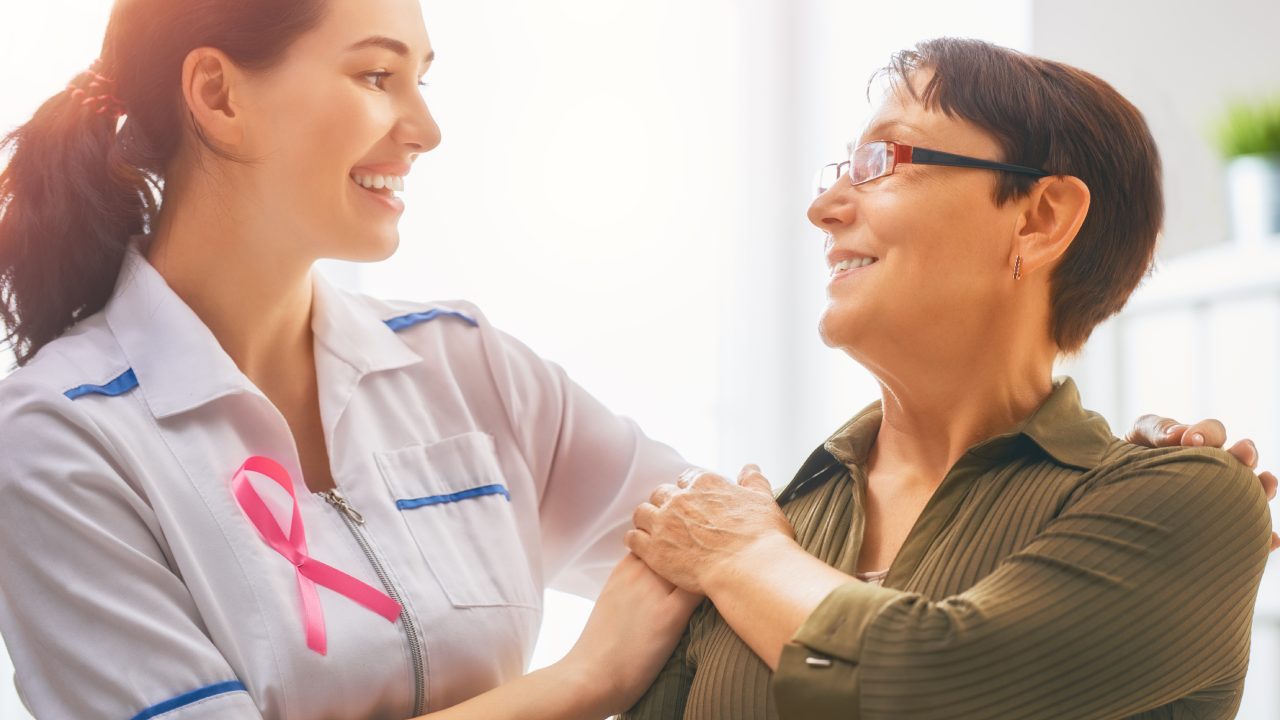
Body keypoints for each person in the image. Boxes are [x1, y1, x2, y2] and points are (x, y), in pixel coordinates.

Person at [0, 3, 1261, 719]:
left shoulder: (464, 367)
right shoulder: (62, 442)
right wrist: (587, 677)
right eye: (378, 75)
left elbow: (746, 566)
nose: (426, 127)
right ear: (218, 97)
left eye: (882, 163)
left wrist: (1159, 493)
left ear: (1039, 221)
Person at [624, 38, 1277, 720]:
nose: (824, 209)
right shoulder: (756, 520)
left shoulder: (1188, 500)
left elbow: (932, 688)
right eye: (842, 169)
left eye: (881, 161)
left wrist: (743, 559)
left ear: (1040, 219)